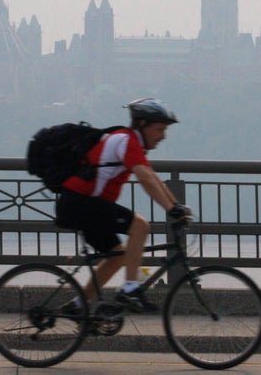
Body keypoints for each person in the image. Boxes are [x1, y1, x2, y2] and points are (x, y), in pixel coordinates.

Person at [55, 97, 190, 313]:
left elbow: (152, 176)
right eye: (160, 129)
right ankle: (130, 289)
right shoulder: (126, 140)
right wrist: (171, 209)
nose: (163, 136)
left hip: (81, 204)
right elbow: (144, 177)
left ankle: (78, 305)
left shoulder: (131, 143)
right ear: (143, 124)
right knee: (140, 226)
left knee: (118, 256)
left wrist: (176, 206)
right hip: (82, 202)